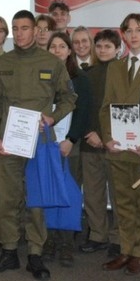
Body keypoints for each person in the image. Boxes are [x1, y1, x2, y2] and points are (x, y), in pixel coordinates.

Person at [0, 10, 76, 281]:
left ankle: (35, 253)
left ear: (36, 31)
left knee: (37, 199)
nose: (20, 32)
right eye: (16, 28)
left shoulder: (52, 62)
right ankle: (9, 250)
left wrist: (52, 116)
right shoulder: (2, 63)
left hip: (40, 143)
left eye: (25, 27)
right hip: (9, 142)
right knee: (7, 198)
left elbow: (70, 97)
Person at [99, 13, 140, 275]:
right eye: (129, 30)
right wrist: (108, 138)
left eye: (139, 29)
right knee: (122, 201)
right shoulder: (115, 66)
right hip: (118, 147)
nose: (134, 35)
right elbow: (105, 108)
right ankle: (126, 249)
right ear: (123, 34)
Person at [43, 32, 91, 268]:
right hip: (46, 144)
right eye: (53, 47)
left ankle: (66, 244)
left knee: (70, 194)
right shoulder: (40, 78)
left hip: (69, 146)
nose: (58, 50)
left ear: (70, 51)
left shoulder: (80, 79)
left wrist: (71, 139)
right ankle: (49, 241)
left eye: (62, 46)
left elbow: (83, 113)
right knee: (48, 192)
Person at [77, 29, 122, 256]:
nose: (103, 50)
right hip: (89, 142)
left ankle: (117, 238)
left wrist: (108, 137)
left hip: (115, 144)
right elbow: (80, 108)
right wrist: (89, 133)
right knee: (93, 194)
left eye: (108, 46)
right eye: (100, 46)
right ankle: (97, 235)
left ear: (117, 49)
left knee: (117, 194)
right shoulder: (86, 74)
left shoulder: (124, 73)